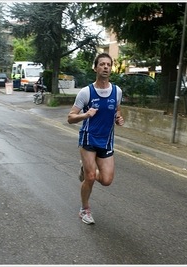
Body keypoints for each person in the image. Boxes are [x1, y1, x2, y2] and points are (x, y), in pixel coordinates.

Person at [67, 53, 124, 225]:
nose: (106, 67)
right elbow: (70, 118)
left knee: (107, 180)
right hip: (88, 139)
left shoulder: (117, 91)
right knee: (91, 177)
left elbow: (117, 110)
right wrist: (86, 114)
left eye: (108, 64)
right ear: (95, 68)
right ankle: (85, 209)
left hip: (106, 141)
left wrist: (118, 118)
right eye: (102, 64)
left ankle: (84, 170)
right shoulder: (86, 92)